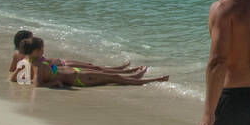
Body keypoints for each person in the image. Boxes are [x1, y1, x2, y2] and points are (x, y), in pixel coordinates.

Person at [20, 37, 167, 88]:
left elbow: (47, 73)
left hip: (76, 74)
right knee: (113, 79)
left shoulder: (38, 61)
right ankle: (152, 80)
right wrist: (54, 83)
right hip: (78, 79)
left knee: (105, 73)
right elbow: (37, 84)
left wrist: (55, 73)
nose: (43, 50)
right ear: (34, 51)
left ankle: (134, 75)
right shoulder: (37, 65)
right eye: (41, 49)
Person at [7, 30, 145, 82]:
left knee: (94, 67)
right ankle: (125, 72)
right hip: (61, 66)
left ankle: (122, 70)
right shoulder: (25, 59)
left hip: (60, 64)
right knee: (95, 69)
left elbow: (12, 71)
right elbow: (15, 71)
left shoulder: (30, 59)